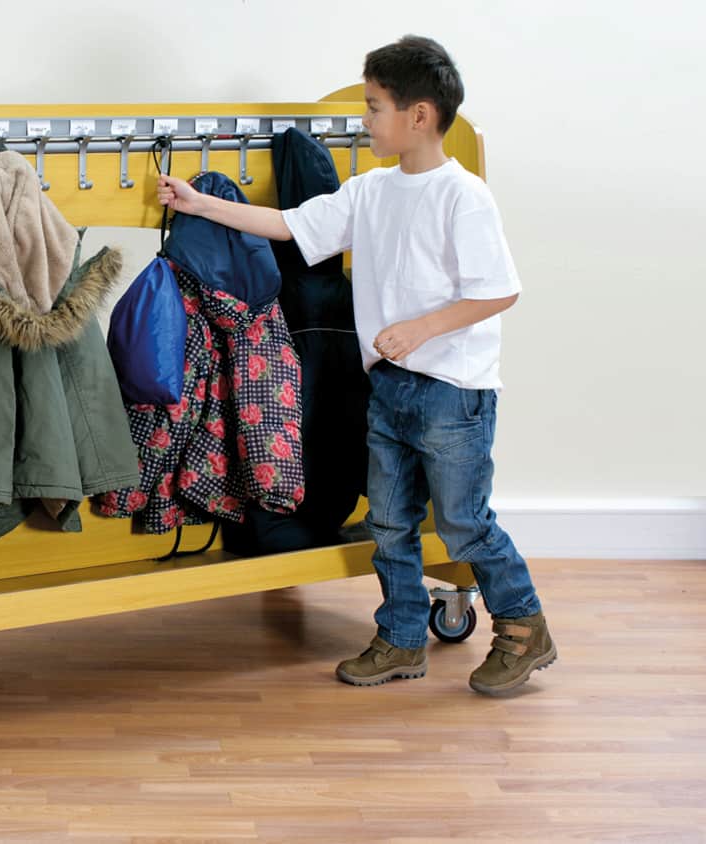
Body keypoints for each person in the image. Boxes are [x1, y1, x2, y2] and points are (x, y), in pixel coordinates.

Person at [156, 35, 555, 696]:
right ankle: (400, 638)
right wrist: (200, 204)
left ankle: (522, 628)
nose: (364, 120)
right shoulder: (371, 191)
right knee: (389, 523)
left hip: (452, 393)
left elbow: (498, 291)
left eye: (373, 107)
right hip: (389, 388)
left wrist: (420, 329)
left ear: (418, 116)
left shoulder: (463, 196)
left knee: (463, 524)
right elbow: (290, 224)